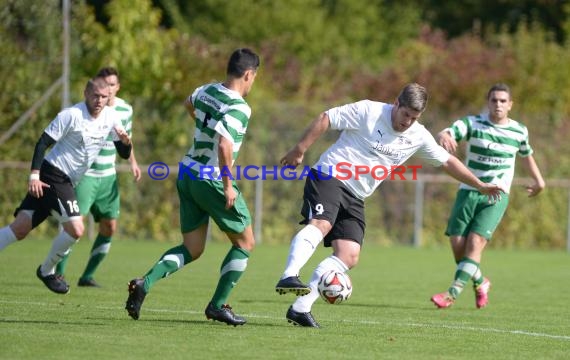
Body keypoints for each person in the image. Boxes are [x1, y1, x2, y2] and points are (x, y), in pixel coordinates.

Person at [274, 83, 504, 328]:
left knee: (349, 256)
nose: (407, 122)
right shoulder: (368, 111)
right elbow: (326, 118)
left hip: (356, 195)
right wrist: (299, 149)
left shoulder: (418, 135)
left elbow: (447, 162)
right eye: (405, 114)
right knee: (321, 223)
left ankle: (300, 308)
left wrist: (479, 184)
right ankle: (289, 275)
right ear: (396, 103)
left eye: (414, 118)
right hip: (329, 175)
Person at [125, 48, 260, 326]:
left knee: (193, 247)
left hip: (187, 171)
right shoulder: (240, 107)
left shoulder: (206, 90)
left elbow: (189, 105)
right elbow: (224, 145)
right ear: (248, 74)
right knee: (246, 242)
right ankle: (218, 305)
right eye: (254, 77)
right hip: (210, 178)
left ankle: (145, 282)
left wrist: (204, 131)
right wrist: (228, 185)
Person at [0, 77, 132, 294]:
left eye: (104, 97)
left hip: (66, 179)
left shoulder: (111, 117)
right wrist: (34, 176)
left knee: (20, 228)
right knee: (77, 228)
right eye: (95, 96)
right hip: (53, 174)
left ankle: (46, 270)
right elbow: (42, 142)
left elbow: (124, 154)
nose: (99, 101)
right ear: (86, 94)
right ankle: (47, 270)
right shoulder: (72, 115)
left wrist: (127, 143)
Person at [430, 83, 545, 309]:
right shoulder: (473, 124)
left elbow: (526, 154)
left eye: (503, 101)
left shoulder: (519, 131)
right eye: (494, 100)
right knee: (458, 245)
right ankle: (481, 282)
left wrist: (539, 180)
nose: (498, 104)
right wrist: (443, 133)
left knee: (475, 241)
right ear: (488, 102)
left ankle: (451, 294)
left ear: (510, 104)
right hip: (468, 191)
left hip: (496, 195)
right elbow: (450, 131)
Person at [55, 67, 141, 287]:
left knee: (109, 227)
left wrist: (133, 162)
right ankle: (58, 273)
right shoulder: (87, 109)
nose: (108, 89)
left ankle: (87, 276)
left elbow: (126, 140)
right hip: (87, 175)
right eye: (104, 85)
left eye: (112, 85)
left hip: (108, 176)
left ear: (117, 87)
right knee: (74, 226)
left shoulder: (125, 110)